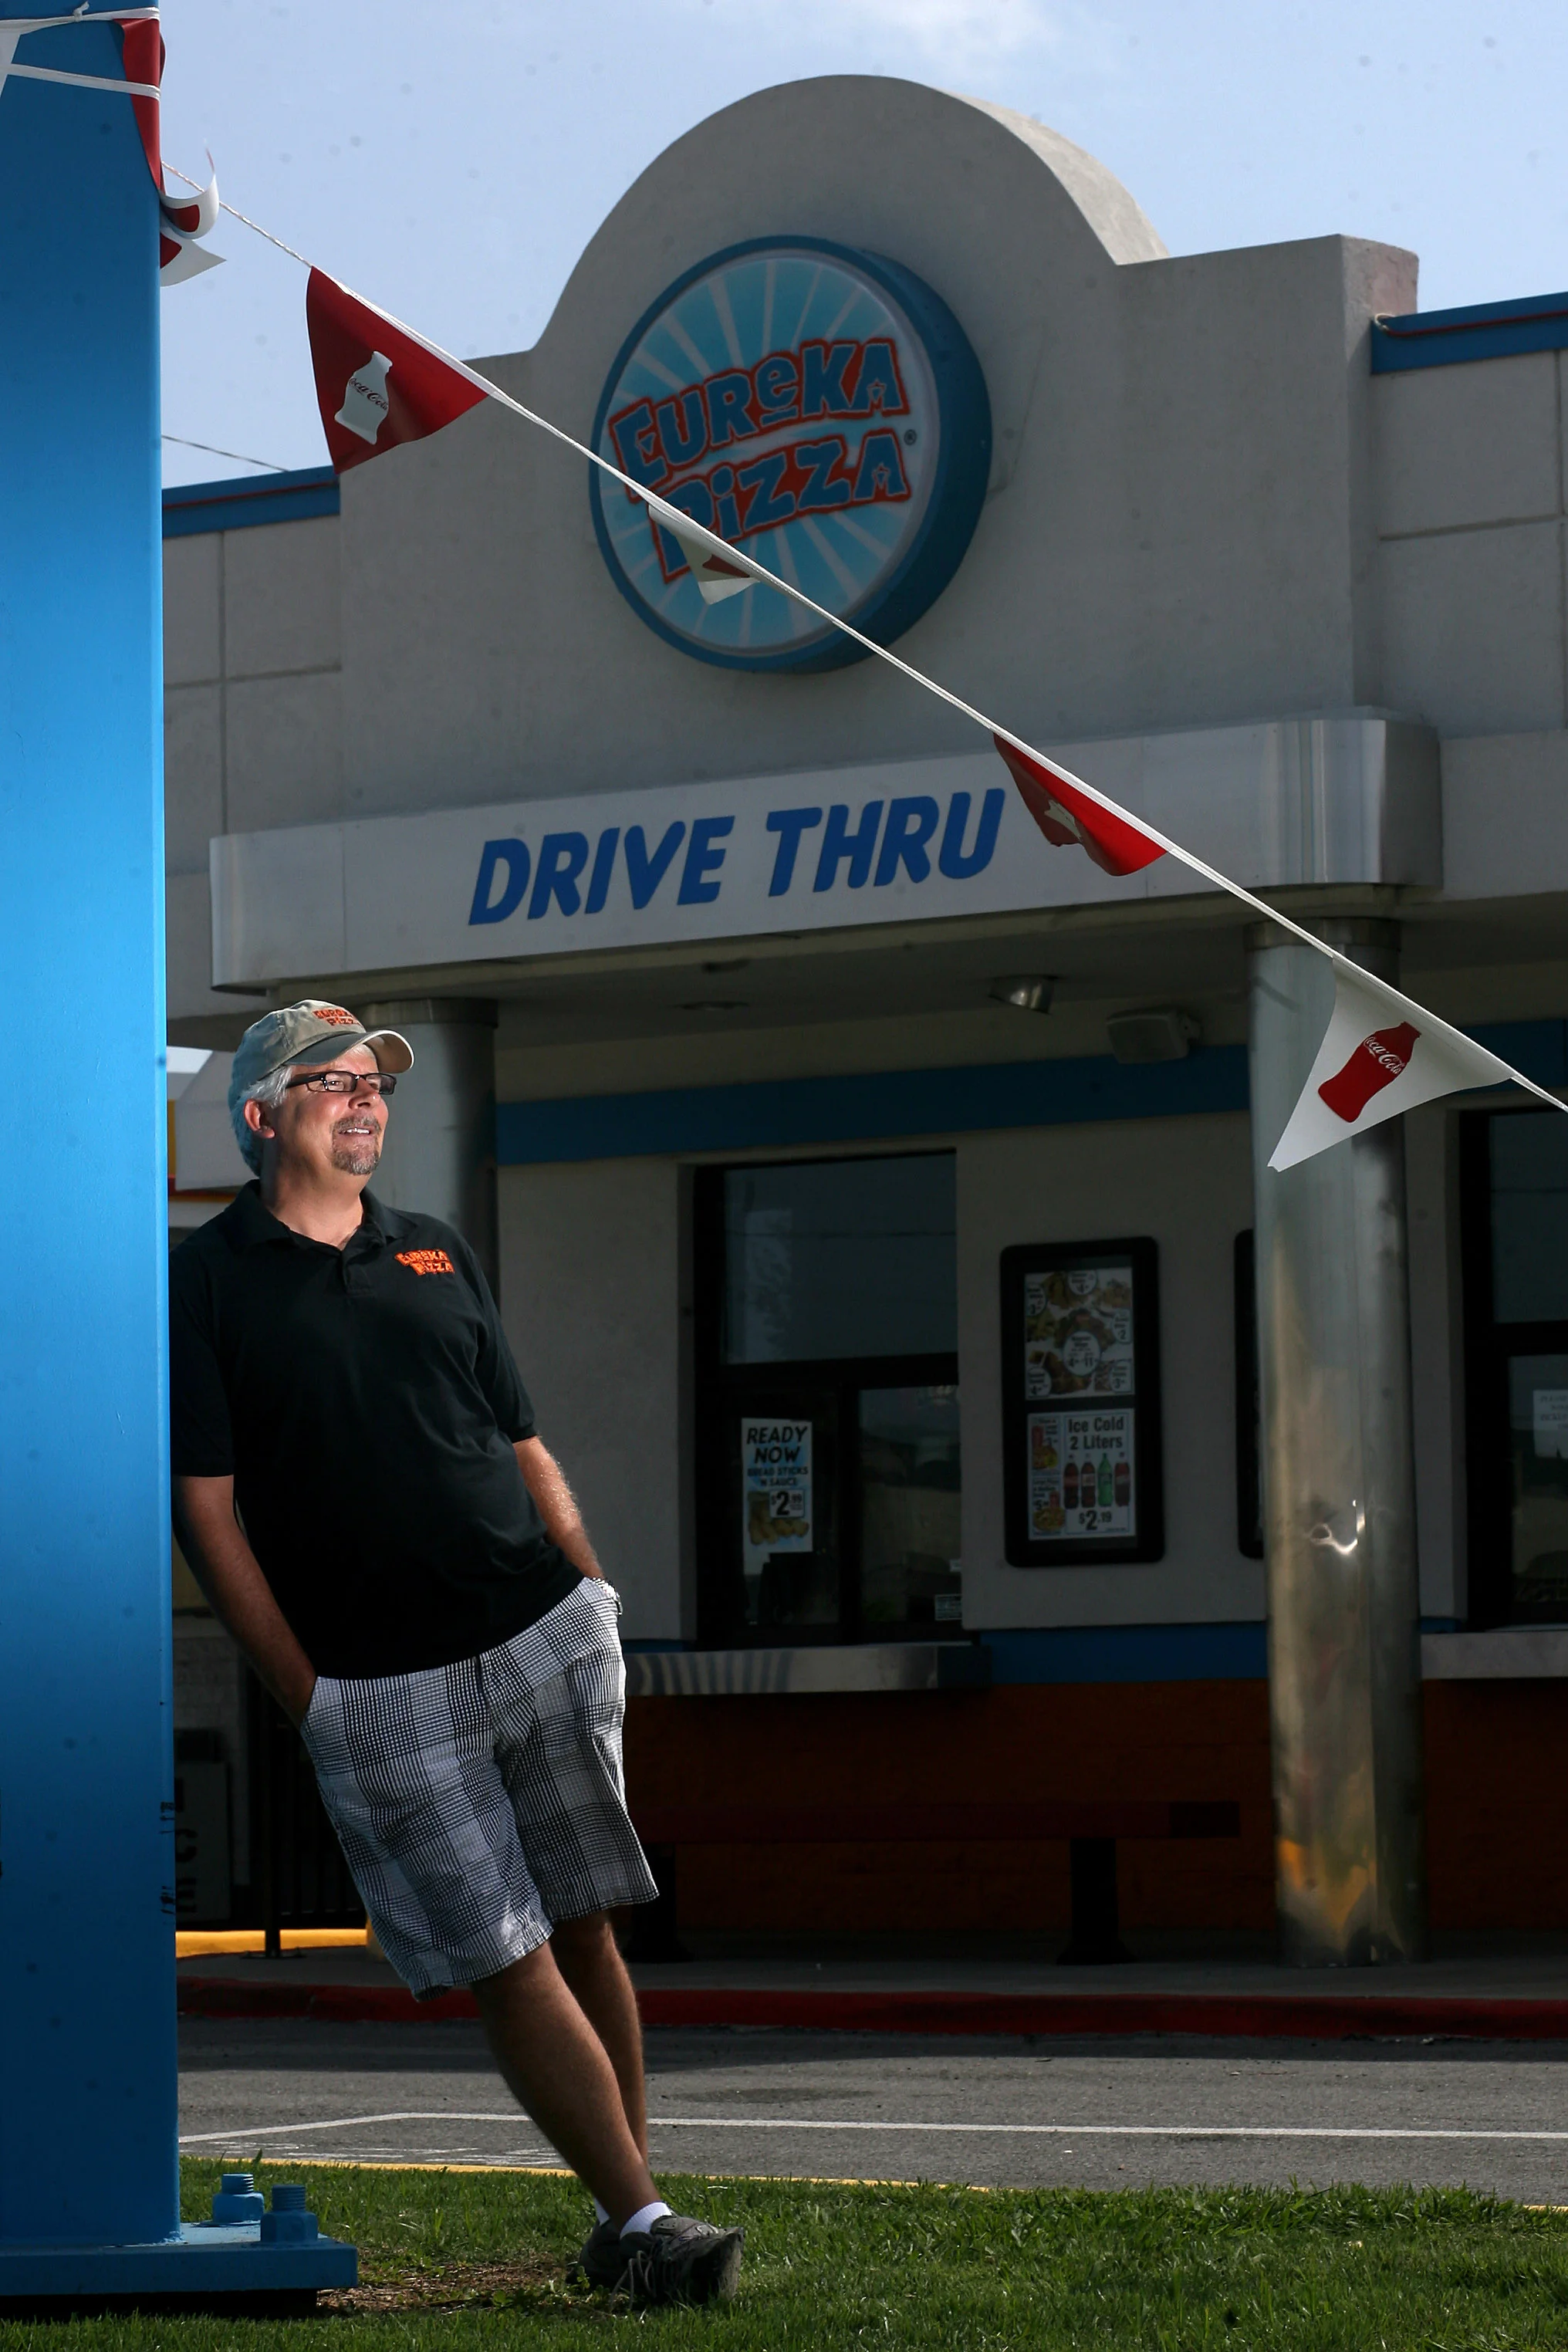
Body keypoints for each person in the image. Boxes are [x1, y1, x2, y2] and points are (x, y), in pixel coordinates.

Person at [168, 1000, 742, 2307]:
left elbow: (520, 1437)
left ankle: (630, 2217)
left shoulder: (433, 1250)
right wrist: (307, 1696)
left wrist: (587, 1586)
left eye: (376, 1084)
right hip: (381, 1686)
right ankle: (646, 2218)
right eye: (332, 1083)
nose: (364, 1102)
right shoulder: (202, 1283)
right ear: (263, 1115)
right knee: (505, 1952)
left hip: (543, 1634)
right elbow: (206, 1509)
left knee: (588, 1928)